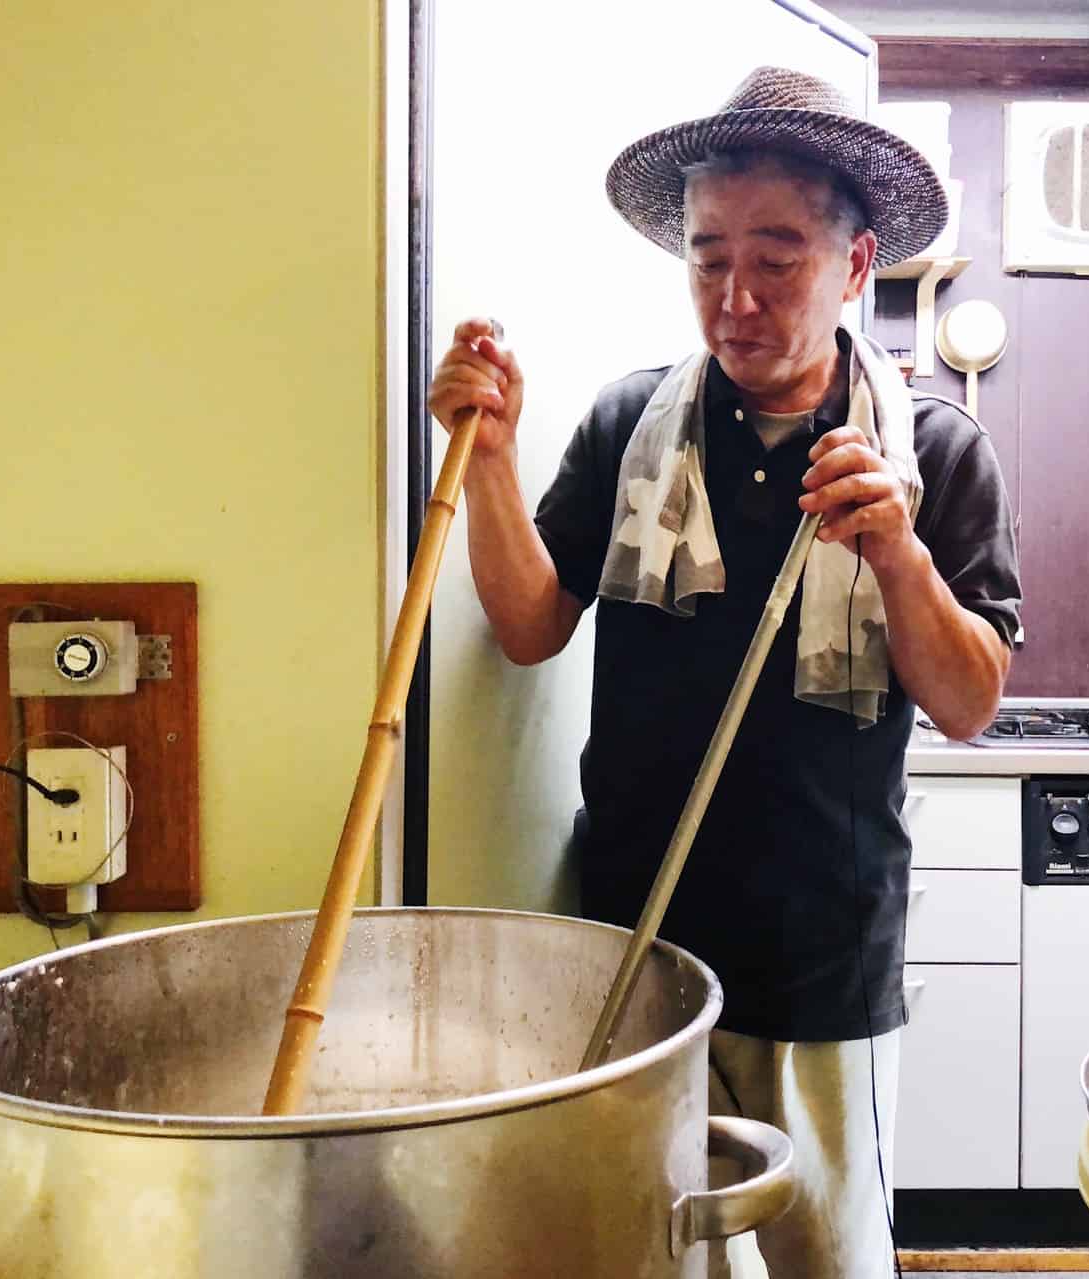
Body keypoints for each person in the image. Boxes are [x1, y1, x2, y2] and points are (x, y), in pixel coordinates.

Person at [430, 66, 1021, 1279]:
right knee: (655, 1256)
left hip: (822, 958)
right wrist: (486, 462)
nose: (736, 298)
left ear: (855, 266)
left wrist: (898, 554)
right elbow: (534, 623)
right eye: (708, 259)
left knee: (825, 1257)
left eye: (778, 256)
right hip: (634, 933)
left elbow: (967, 703)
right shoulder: (628, 423)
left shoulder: (940, 453)